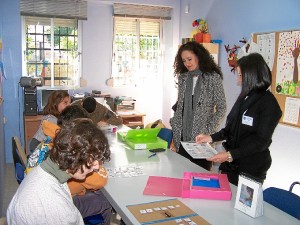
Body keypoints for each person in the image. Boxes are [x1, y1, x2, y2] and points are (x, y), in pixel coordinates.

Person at [196, 53, 282, 185]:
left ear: (252, 76)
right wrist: (211, 137)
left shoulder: (268, 103)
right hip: (234, 161)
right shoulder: (245, 97)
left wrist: (230, 155)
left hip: (251, 166)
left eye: (241, 75)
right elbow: (230, 129)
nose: (238, 80)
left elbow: (260, 142)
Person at [7, 118, 111, 225]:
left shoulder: (46, 171)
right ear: (75, 157)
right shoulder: (56, 207)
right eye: (93, 160)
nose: (97, 167)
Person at [170, 41, 226, 170]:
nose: (187, 63)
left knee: (200, 179)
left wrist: (209, 130)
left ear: (198, 56)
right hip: (182, 137)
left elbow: (221, 107)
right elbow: (181, 106)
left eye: (189, 59)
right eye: (184, 61)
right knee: (181, 174)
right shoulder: (183, 78)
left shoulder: (212, 78)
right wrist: (174, 123)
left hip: (201, 139)